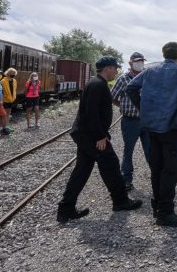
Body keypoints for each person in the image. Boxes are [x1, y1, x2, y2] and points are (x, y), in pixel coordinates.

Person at [126, 42, 177, 227]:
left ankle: (157, 206)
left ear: (163, 53)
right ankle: (165, 212)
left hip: (151, 126)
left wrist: (143, 109)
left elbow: (130, 88)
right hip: (170, 128)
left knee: (157, 167)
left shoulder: (151, 70)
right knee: (169, 169)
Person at [57, 56, 142, 223]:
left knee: (82, 170)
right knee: (110, 163)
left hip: (86, 135)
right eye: (114, 68)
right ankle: (121, 201)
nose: (116, 71)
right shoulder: (97, 85)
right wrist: (100, 136)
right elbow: (91, 113)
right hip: (91, 136)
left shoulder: (96, 83)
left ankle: (65, 209)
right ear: (107, 68)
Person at [110, 52, 150, 191]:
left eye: (142, 61)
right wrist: (121, 105)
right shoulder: (123, 79)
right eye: (137, 61)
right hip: (130, 121)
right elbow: (112, 96)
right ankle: (126, 179)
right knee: (128, 150)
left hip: (146, 121)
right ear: (131, 63)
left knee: (151, 150)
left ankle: (156, 177)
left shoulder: (147, 77)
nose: (140, 64)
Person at [1, 68, 18, 133]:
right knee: (4, 114)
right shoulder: (3, 81)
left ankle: (7, 127)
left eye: (14, 74)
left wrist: (14, 97)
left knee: (8, 114)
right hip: (5, 100)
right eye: (12, 74)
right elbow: (1, 91)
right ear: (8, 73)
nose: (13, 75)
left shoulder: (14, 81)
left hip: (11, 100)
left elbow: (14, 90)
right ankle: (4, 128)